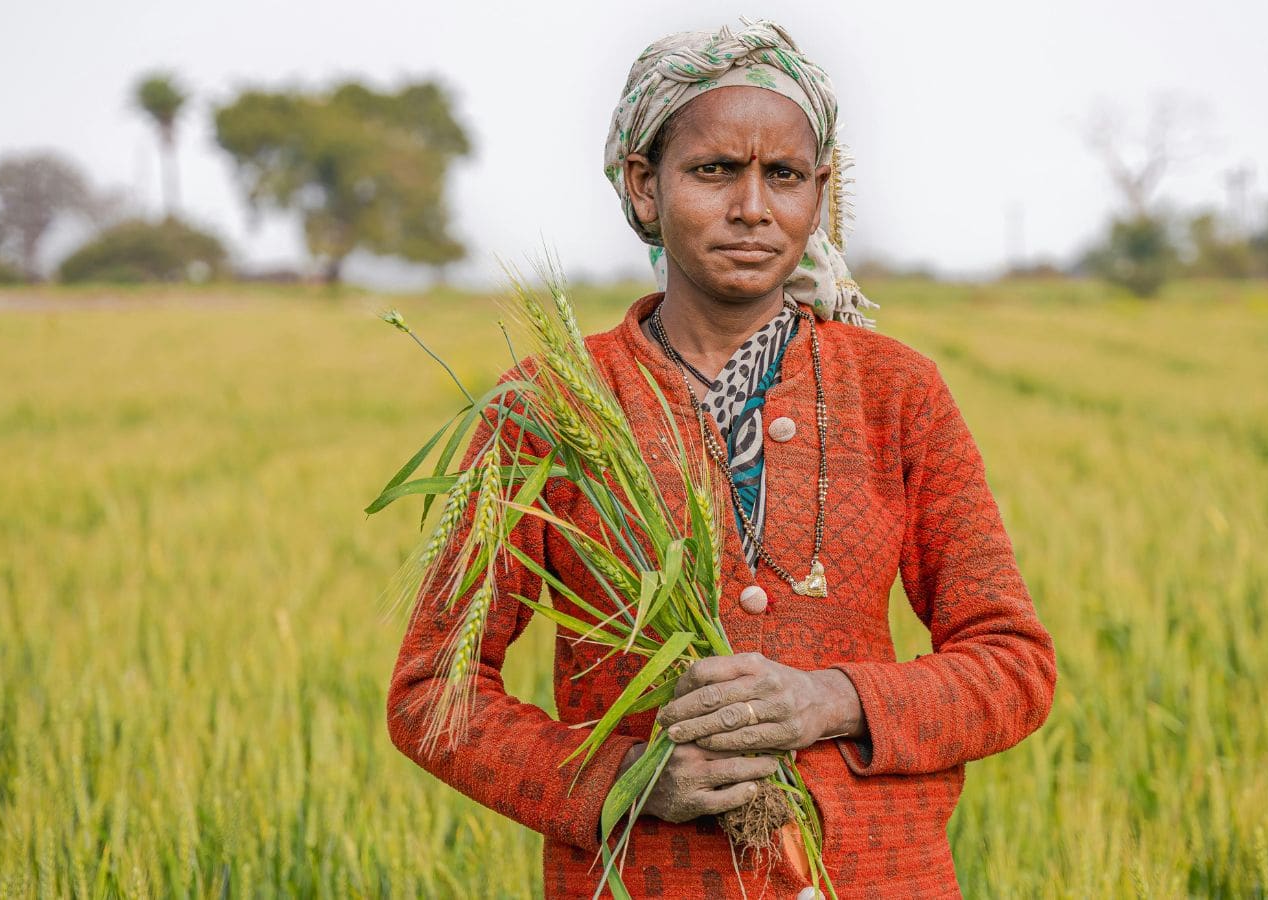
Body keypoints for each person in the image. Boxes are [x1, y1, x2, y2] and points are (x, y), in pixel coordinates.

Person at [386, 18, 1057, 899]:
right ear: (643, 188)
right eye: (714, 171)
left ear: (818, 193)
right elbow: (433, 692)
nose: (753, 208)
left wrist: (832, 699)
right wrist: (623, 782)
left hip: (877, 877)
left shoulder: (896, 392)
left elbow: (1013, 664)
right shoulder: (549, 404)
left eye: (783, 176)